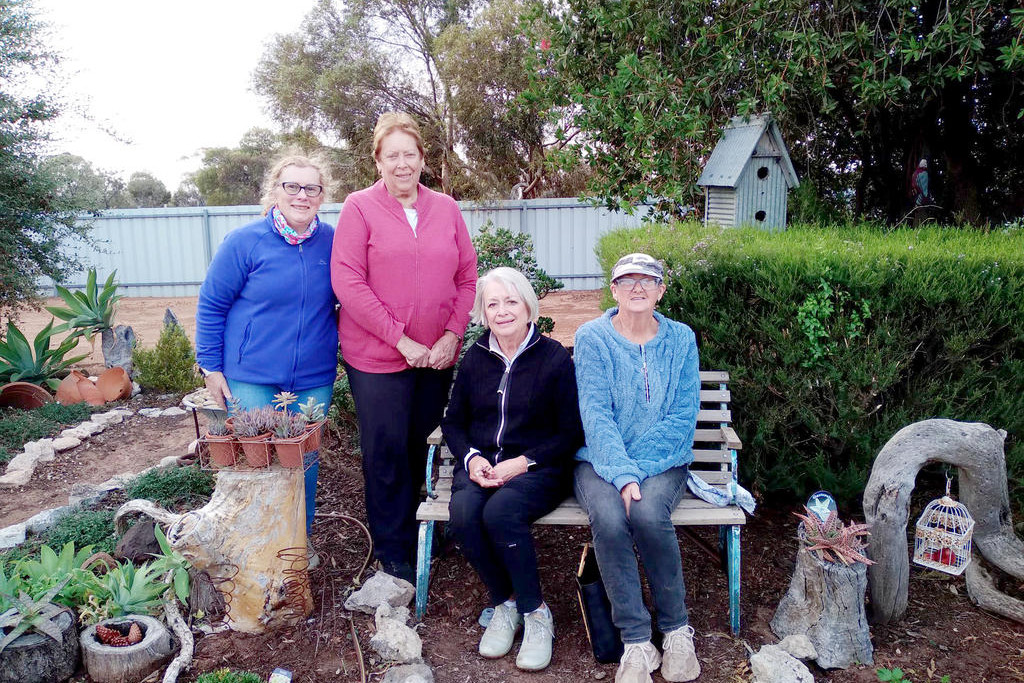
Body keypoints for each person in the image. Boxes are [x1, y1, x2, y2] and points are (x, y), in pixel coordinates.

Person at [331, 112, 477, 585]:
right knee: (387, 449)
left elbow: (466, 277)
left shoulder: (447, 209)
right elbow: (347, 282)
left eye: (408, 154)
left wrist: (452, 334)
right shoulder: (359, 208)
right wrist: (401, 338)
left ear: (421, 159)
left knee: (424, 444)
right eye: (391, 155)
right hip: (378, 358)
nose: (401, 164)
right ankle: (393, 550)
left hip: (435, 356)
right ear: (377, 160)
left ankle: (424, 529)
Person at [442, 267, 583, 671]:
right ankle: (504, 603)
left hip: (539, 467)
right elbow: (454, 421)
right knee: (464, 514)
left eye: (511, 301)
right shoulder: (475, 357)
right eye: (493, 304)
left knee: (501, 512)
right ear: (483, 314)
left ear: (528, 306)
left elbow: (570, 431)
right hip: (483, 465)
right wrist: (472, 459)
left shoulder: (554, 357)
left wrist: (520, 464)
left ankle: (537, 613)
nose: (502, 311)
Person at [196, 150, 338, 544]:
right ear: (275, 191)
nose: (301, 195)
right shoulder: (245, 242)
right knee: (257, 463)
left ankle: (296, 544)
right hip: (250, 376)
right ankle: (256, 547)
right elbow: (212, 304)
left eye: (311, 188)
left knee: (304, 462)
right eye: (291, 186)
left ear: (322, 195)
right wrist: (210, 367)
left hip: (313, 378)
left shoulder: (332, 242)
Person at [573, 253, 703, 683]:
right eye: (626, 280)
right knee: (609, 519)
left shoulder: (681, 339)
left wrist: (639, 470)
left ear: (661, 291)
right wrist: (623, 474)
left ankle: (675, 630)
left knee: (648, 514)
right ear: (613, 291)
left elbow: (682, 417)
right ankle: (635, 642)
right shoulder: (593, 338)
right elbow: (596, 415)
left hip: (663, 460)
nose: (637, 288)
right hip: (599, 459)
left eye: (647, 281)